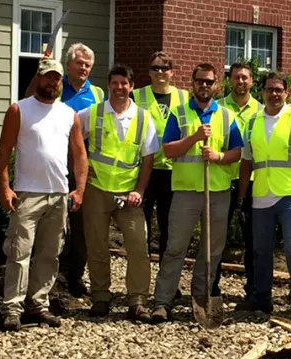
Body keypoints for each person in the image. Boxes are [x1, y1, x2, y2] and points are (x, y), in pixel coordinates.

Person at [0, 54, 87, 330]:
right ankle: (12, 308)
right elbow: (3, 152)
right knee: (19, 253)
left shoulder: (69, 114)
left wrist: (79, 190)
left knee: (49, 254)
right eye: (48, 76)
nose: (52, 82)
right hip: (27, 194)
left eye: (57, 77)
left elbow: (80, 155)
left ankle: (39, 304)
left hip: (58, 195)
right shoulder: (19, 110)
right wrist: (5, 187)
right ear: (38, 77)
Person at [149, 63, 243, 323]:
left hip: (218, 192)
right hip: (186, 192)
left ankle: (201, 299)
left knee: (212, 251)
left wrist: (218, 156)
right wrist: (194, 138)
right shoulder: (179, 114)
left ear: (216, 85)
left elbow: (238, 152)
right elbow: (167, 150)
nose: (204, 86)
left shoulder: (226, 116)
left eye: (209, 82)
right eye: (200, 81)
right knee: (175, 248)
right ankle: (163, 301)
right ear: (192, 83)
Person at [239, 71, 291, 323]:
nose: (274, 94)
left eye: (279, 90)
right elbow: (246, 162)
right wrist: (242, 197)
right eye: (269, 89)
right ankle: (262, 298)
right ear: (262, 92)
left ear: (287, 93)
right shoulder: (252, 122)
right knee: (260, 251)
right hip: (261, 195)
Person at [76, 64, 158, 319]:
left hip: (128, 194)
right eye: (115, 83)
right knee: (97, 247)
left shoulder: (143, 118)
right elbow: (73, 134)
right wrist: (81, 168)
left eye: (124, 83)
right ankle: (101, 297)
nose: (119, 88)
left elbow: (148, 159)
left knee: (138, 246)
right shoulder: (94, 112)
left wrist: (140, 191)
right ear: (109, 85)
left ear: (131, 86)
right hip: (97, 189)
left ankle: (137, 300)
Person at [56, 42, 103, 298]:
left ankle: (75, 276)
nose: (84, 68)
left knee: (81, 223)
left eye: (87, 65)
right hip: (55, 161)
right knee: (53, 222)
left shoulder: (97, 94)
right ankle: (52, 274)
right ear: (68, 65)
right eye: (80, 63)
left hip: (82, 164)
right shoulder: (56, 86)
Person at [134, 51, 190, 258]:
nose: (160, 72)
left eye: (164, 68)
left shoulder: (184, 96)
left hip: (173, 169)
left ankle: (166, 279)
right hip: (146, 169)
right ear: (149, 72)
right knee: (142, 224)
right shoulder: (137, 96)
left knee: (169, 224)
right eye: (155, 68)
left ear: (172, 72)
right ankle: (143, 274)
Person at [215, 62, 260, 298]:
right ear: (229, 80)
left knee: (252, 240)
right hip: (222, 181)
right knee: (216, 238)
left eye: (245, 77)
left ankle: (253, 288)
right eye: (236, 77)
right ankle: (211, 287)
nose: (240, 81)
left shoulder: (262, 111)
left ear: (251, 80)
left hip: (252, 184)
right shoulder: (218, 108)